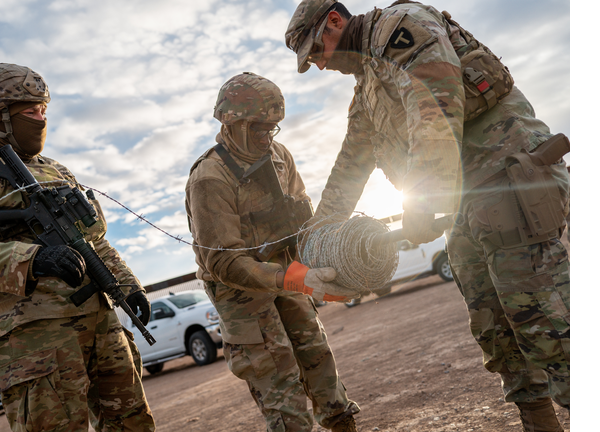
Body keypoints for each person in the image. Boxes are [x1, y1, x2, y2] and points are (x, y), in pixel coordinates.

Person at [285, 1, 570, 431]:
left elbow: (437, 105)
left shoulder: (401, 28)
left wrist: (420, 202)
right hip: (466, 205)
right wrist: (317, 235)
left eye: (316, 52)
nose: (320, 65)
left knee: (548, 326)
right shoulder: (367, 88)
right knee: (497, 333)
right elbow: (351, 162)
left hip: (507, 184)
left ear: (335, 22)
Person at [0, 63, 156, 432]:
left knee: (133, 424)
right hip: (36, 341)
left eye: (44, 109)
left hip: (101, 322)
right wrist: (32, 259)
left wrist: (128, 285)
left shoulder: (57, 171)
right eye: (31, 111)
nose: (41, 118)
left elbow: (92, 241)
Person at [185, 72, 361, 432]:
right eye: (257, 128)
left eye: (272, 128)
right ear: (229, 122)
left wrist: (327, 265)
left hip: (286, 269)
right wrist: (293, 278)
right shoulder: (210, 178)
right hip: (240, 291)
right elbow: (223, 261)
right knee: (278, 378)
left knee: (317, 356)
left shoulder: (279, 155)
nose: (267, 137)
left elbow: (301, 217)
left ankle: (343, 424)